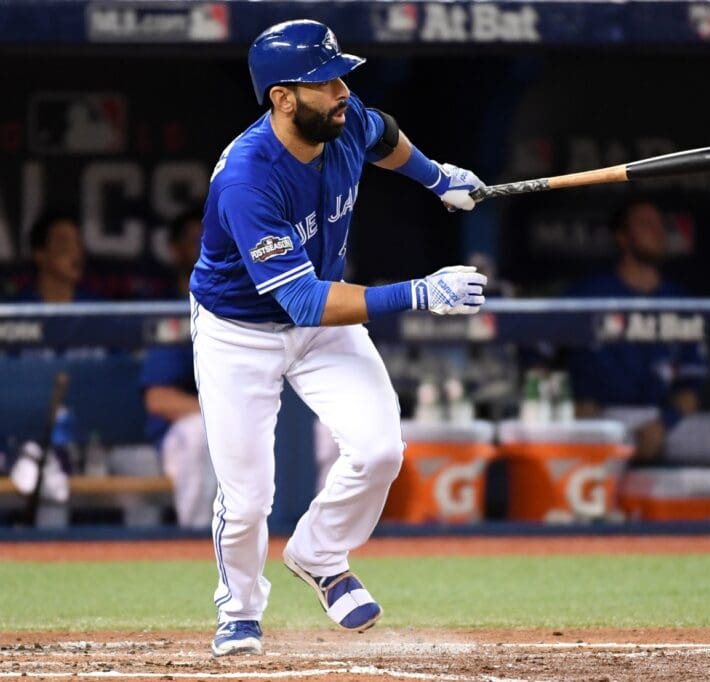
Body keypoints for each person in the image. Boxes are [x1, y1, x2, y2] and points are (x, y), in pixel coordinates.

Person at [191, 20, 487, 657]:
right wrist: (418, 292)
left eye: (341, 75)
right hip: (241, 332)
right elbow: (298, 300)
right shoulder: (247, 178)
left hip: (322, 318)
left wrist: (438, 178)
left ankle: (320, 553)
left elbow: (385, 134)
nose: (341, 90)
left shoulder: (346, 121)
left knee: (380, 450)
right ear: (282, 97)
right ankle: (239, 611)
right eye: (324, 81)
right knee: (248, 499)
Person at [565, 198, 710, 465]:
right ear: (623, 237)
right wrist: (573, 406)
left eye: (660, 225)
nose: (658, 231)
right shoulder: (589, 294)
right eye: (645, 224)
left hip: (660, 419)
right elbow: (536, 351)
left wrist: (663, 424)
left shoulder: (679, 301)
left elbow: (691, 388)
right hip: (600, 420)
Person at [140, 209, 216, 529]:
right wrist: (227, 413)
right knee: (201, 431)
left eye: (208, 236)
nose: (203, 244)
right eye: (193, 239)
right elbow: (158, 399)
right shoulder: (174, 310)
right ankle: (196, 542)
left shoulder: (247, 302)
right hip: (182, 436)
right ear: (175, 250)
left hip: (247, 422)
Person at [24, 211, 87, 303]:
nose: (77, 253)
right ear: (40, 255)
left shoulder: (99, 311)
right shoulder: (13, 310)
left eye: (78, 244)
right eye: (64, 246)